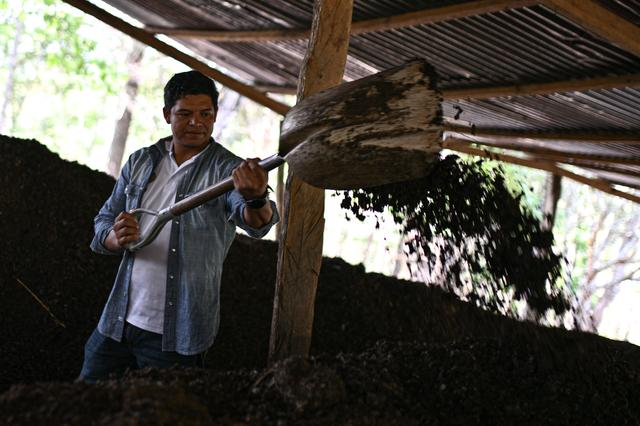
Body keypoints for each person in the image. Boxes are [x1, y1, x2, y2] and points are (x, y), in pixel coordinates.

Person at [78, 70, 279, 382]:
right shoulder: (141, 161)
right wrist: (115, 239)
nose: (196, 123)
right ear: (166, 114)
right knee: (81, 401)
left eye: (205, 114)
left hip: (176, 337)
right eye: (184, 114)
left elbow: (256, 222)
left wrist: (255, 199)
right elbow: (103, 222)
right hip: (118, 322)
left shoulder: (229, 172)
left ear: (215, 116)